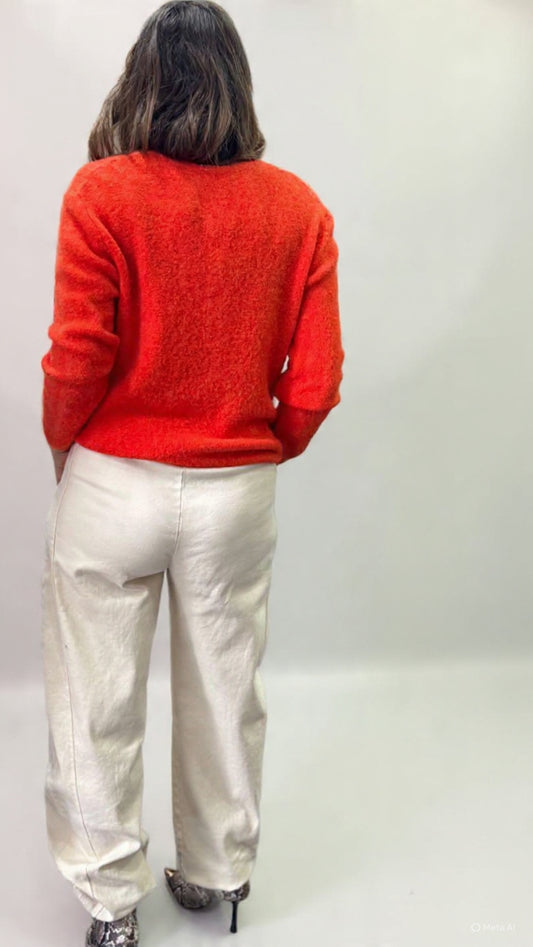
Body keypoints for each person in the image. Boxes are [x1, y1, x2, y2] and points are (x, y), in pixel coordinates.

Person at [40, 1, 345, 944]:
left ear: (141, 82)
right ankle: (217, 874)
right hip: (235, 488)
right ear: (235, 87)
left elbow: (77, 357)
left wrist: (63, 444)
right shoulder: (297, 208)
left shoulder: (102, 195)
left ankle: (110, 903)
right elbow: (318, 379)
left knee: (96, 693)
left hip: (113, 479)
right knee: (224, 689)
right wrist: (267, 444)